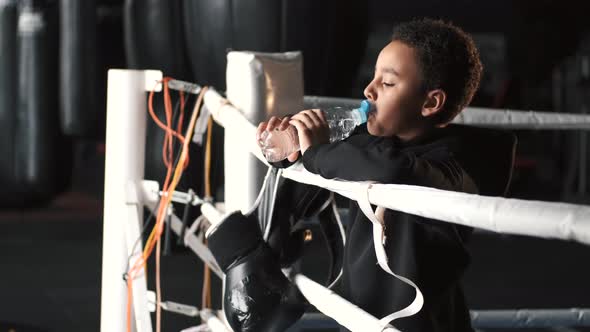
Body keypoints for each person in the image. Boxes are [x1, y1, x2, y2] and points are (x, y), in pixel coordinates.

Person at [256, 18, 512, 332]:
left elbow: (394, 168)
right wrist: (292, 154)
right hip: (363, 320)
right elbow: (306, 198)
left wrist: (318, 152)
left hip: (422, 325)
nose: (369, 90)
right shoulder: (368, 141)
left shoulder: (460, 162)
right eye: (374, 76)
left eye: (387, 83)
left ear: (430, 102)